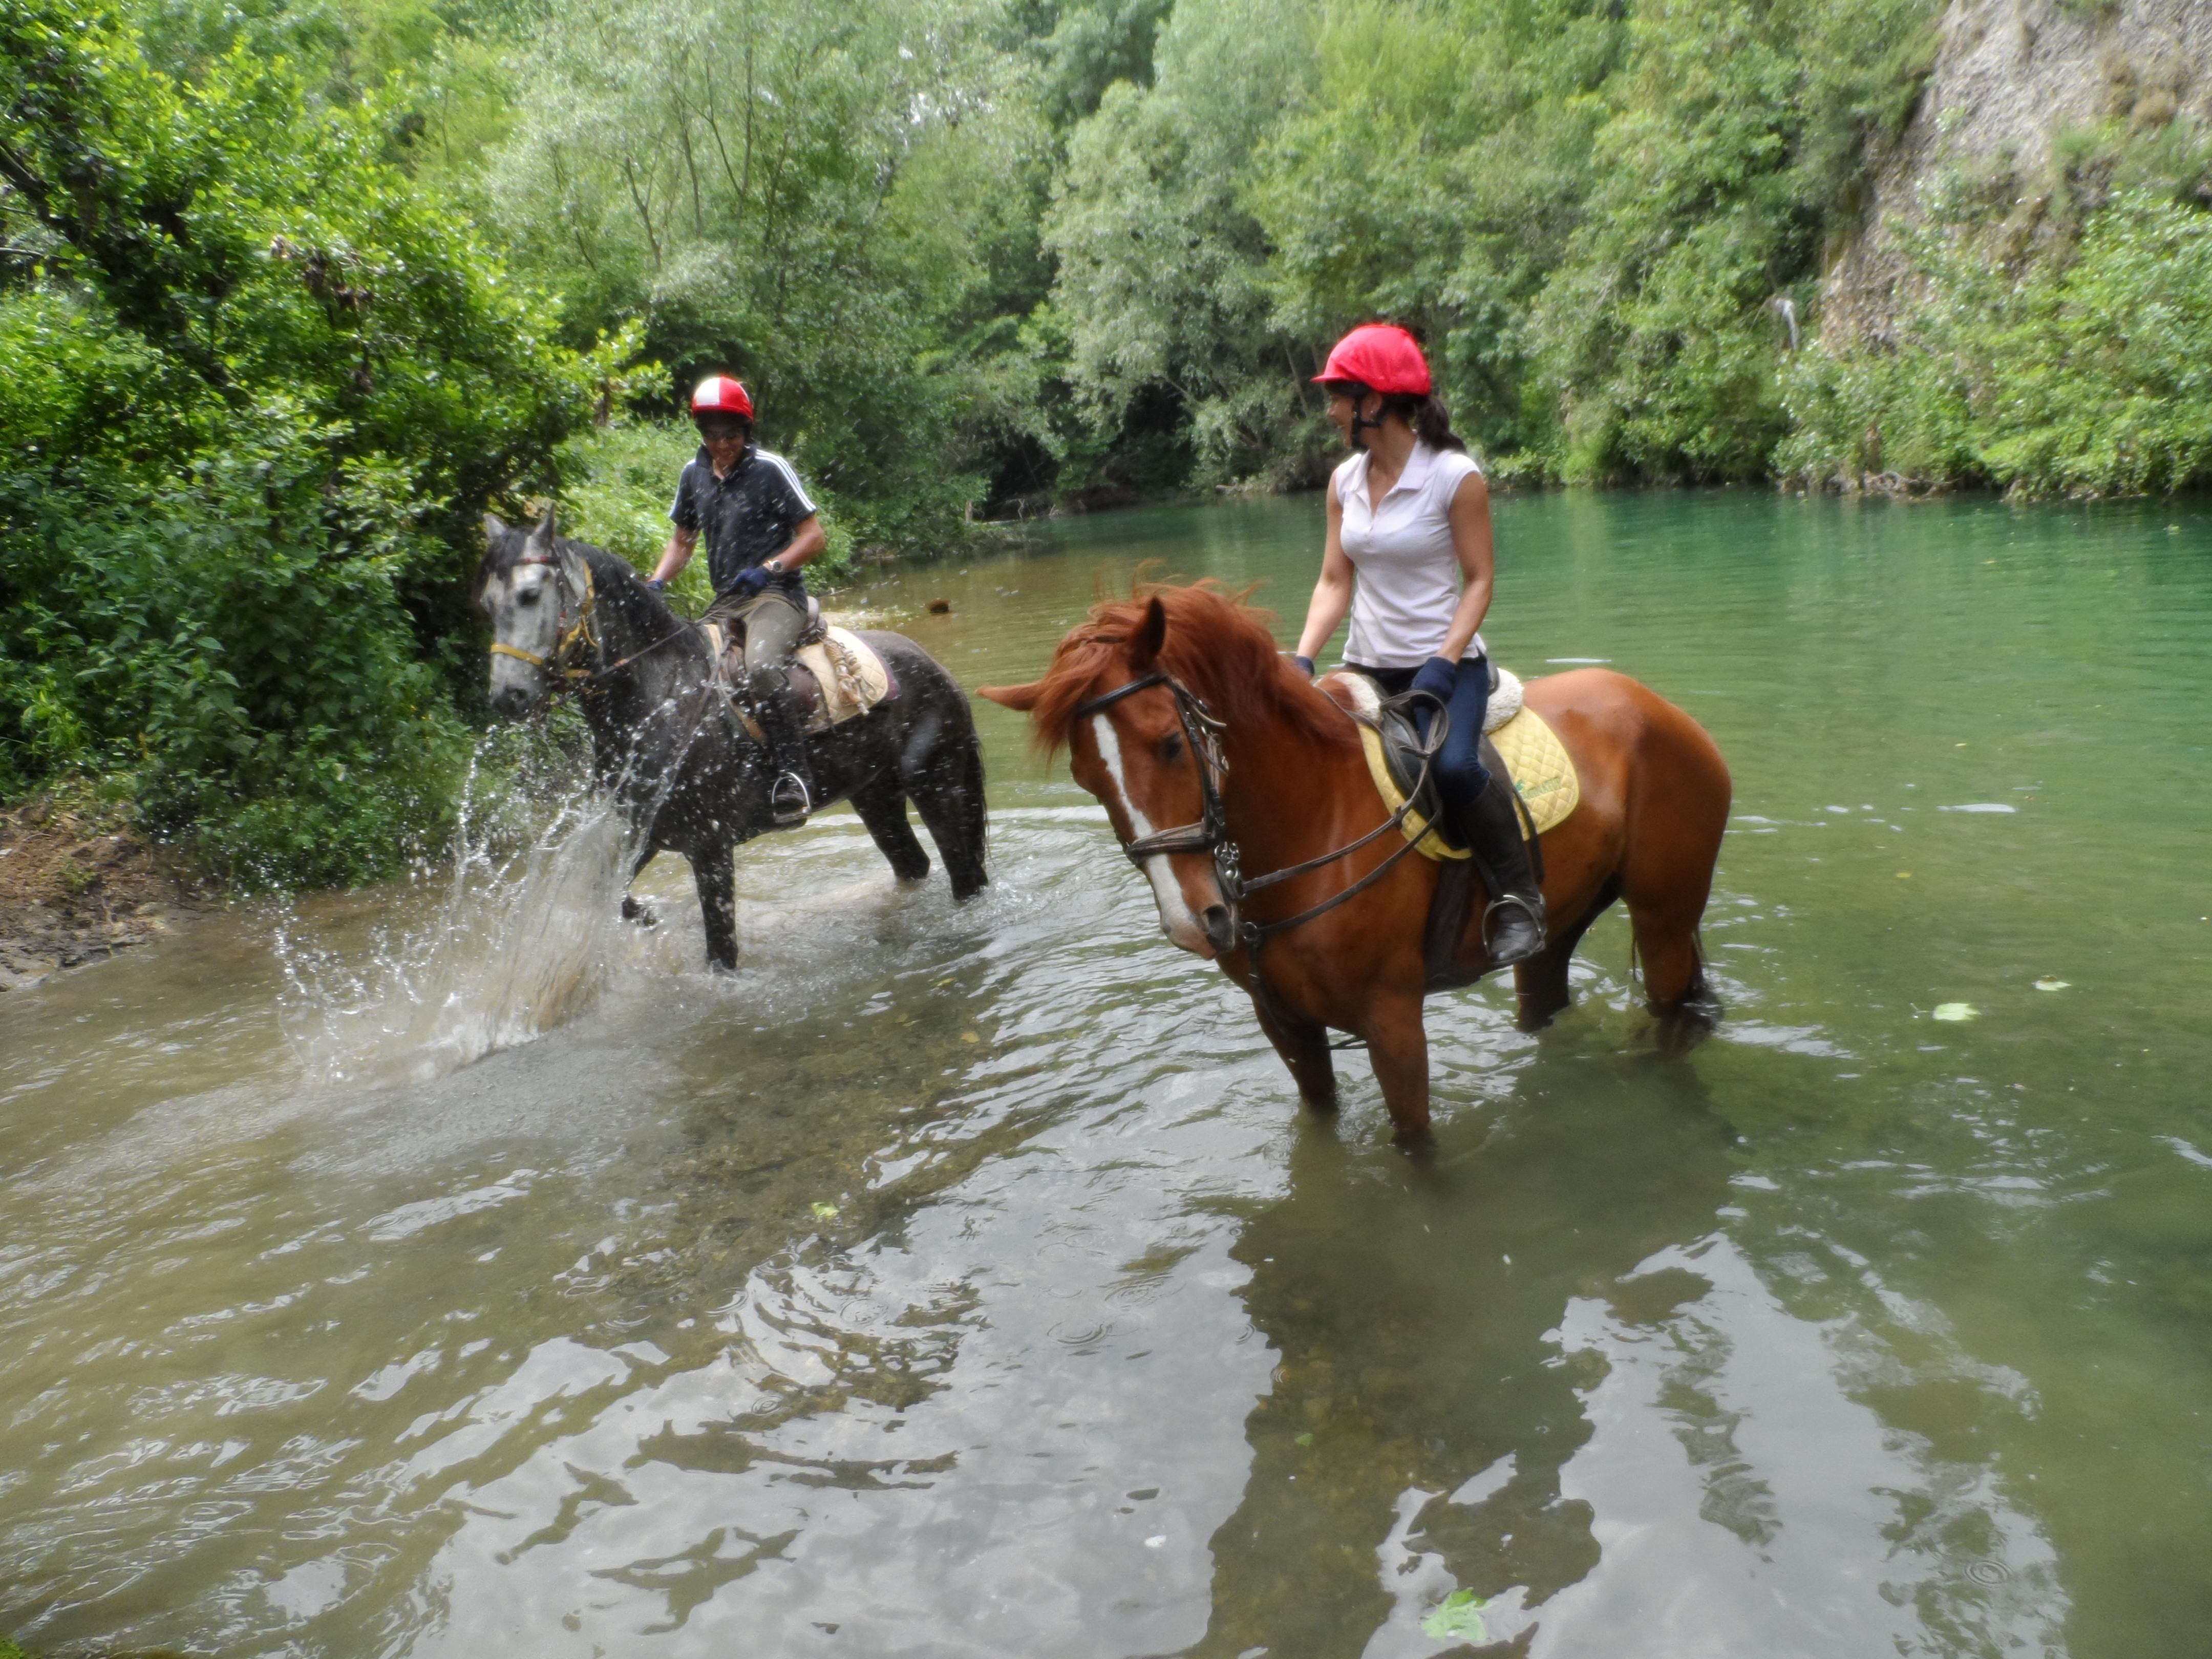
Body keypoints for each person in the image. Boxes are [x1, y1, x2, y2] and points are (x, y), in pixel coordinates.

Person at [1289, 323, 1546, 965]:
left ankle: (1520, 900)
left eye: (1340, 397)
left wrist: (1443, 660)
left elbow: (1481, 581)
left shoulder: (1454, 476)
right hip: (1366, 666)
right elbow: (1332, 580)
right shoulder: (1344, 481)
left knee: (1456, 767)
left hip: (1447, 666)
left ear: (1374, 403)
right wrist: (1301, 658)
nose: (1332, 411)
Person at [649, 374, 828, 826]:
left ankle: (794, 776)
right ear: (702, 434)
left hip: (776, 595)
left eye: (731, 435)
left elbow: (814, 537)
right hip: (727, 600)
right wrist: (654, 584)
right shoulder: (694, 475)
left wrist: (771, 568)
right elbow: (683, 541)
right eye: (713, 436)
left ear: (746, 431)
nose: (722, 444)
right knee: (683, 670)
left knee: (763, 667)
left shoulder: (770, 468)